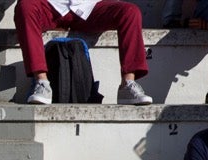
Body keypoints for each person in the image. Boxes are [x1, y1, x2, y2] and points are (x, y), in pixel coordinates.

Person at [15, 0, 153, 105]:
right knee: (25, 7)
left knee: (130, 12)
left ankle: (127, 84)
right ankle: (41, 82)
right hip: (50, 5)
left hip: (89, 6)